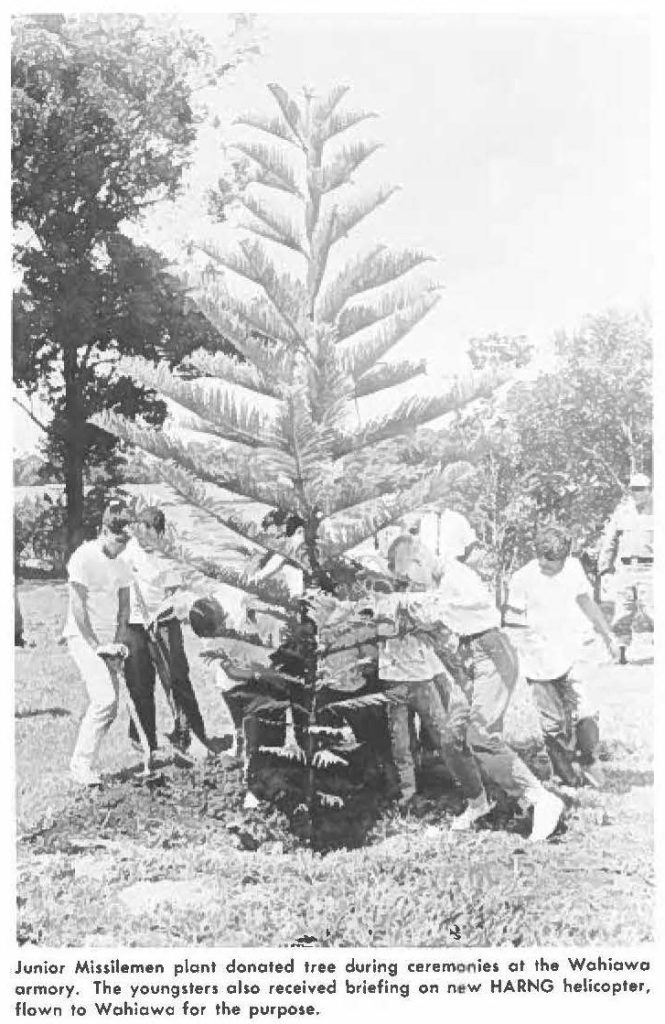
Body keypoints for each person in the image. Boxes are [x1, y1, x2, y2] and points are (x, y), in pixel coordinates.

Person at [378, 534, 564, 841]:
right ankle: (479, 803)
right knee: (452, 738)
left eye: (408, 576)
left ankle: (540, 799)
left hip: (492, 652)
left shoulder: (454, 576)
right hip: (472, 657)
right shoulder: (439, 582)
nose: (410, 584)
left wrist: (402, 602)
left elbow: (445, 608)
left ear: (419, 560)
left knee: (480, 734)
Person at [506, 526, 619, 789]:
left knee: (587, 712)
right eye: (541, 558)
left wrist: (608, 635)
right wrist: (528, 652)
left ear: (565, 558)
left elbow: (585, 601)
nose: (544, 564)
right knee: (553, 724)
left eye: (552, 561)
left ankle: (589, 759)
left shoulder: (574, 569)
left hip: (572, 649)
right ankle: (566, 777)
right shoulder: (522, 578)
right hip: (538, 660)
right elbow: (513, 623)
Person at [121, 505, 210, 761]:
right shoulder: (129, 552)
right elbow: (123, 587)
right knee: (140, 681)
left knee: (176, 678)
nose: (144, 541)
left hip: (164, 622)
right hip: (135, 624)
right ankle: (142, 737)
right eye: (140, 535)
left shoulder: (168, 555)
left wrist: (159, 614)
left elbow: (174, 593)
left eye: (150, 536)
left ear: (160, 534)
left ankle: (190, 733)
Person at [63, 500, 133, 786]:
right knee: (104, 700)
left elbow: (125, 609)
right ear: (104, 530)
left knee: (111, 706)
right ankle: (80, 767)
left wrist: (116, 645)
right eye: (118, 540)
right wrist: (95, 646)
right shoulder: (84, 557)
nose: (122, 547)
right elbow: (77, 605)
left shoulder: (124, 562)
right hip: (82, 637)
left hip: (108, 639)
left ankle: (86, 763)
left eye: (126, 541)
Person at [597, 472, 654, 663]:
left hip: (650, 570)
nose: (636, 493)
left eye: (640, 489)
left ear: (649, 490)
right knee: (622, 614)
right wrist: (604, 570)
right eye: (633, 489)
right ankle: (620, 656)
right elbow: (609, 542)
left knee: (654, 612)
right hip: (625, 570)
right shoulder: (622, 512)